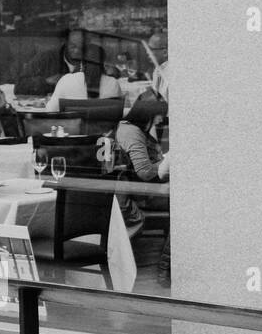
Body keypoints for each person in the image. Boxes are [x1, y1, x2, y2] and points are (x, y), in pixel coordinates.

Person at [115, 97, 170, 233]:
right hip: (144, 193)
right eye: (159, 116)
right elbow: (144, 172)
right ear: (148, 115)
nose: (160, 120)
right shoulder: (132, 133)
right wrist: (167, 162)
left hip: (144, 188)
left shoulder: (130, 128)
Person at [14, 28, 105, 96]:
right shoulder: (46, 57)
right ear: (66, 43)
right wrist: (46, 82)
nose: (77, 51)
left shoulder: (93, 59)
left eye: (82, 47)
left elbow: (99, 91)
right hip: (49, 113)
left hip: (80, 112)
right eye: (73, 46)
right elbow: (19, 87)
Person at [44, 50, 122, 111]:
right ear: (103, 63)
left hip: (72, 130)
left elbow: (50, 110)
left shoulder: (66, 80)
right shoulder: (113, 83)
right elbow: (117, 114)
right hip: (105, 131)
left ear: (82, 63)